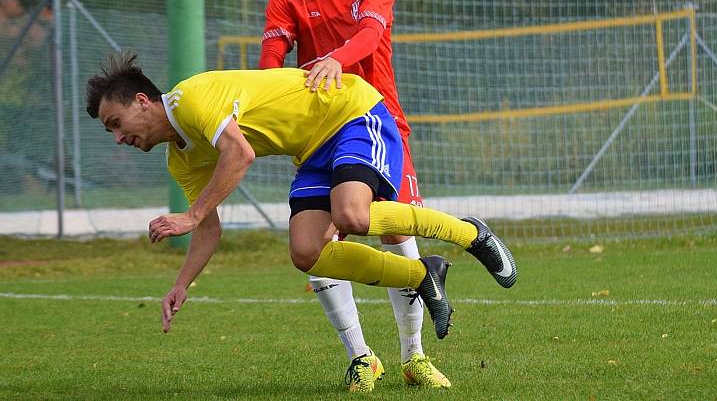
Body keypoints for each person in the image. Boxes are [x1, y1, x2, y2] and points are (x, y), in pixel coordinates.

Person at [85, 54, 517, 392]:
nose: (119, 138)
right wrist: (181, 283)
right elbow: (209, 229)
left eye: (116, 124)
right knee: (307, 251)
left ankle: (471, 233)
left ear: (143, 101)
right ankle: (424, 273)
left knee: (352, 214)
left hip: (350, 113)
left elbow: (240, 155)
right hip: (311, 152)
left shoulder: (190, 99)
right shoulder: (180, 157)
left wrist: (191, 213)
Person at [258, 0, 440, 391]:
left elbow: (370, 33)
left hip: (379, 122)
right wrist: (273, 106)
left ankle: (414, 356)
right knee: (315, 242)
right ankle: (362, 355)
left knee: (397, 232)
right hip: (317, 131)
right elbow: (271, 60)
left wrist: (335, 61)